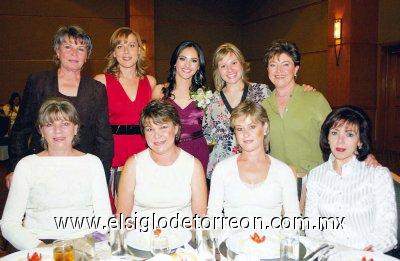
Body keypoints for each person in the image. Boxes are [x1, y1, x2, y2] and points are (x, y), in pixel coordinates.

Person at [6, 25, 113, 187]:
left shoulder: (96, 90)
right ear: (57, 51)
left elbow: (104, 139)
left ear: (87, 56)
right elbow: (21, 129)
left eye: (81, 49)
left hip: (81, 173)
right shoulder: (38, 82)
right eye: (68, 47)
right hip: (40, 170)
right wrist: (16, 168)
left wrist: (100, 178)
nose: (74, 53)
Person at [1, 97, 112, 250]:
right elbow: (9, 224)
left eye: (65, 124)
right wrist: (43, 249)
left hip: (83, 244)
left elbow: (104, 221)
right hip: (37, 245)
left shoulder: (92, 163)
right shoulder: (26, 165)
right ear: (40, 130)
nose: (57, 130)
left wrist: (82, 247)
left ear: (76, 128)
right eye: (49, 124)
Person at [203, 43, 314, 182]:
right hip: (223, 172)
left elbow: (283, 102)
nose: (229, 69)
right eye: (223, 65)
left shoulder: (262, 91)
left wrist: (303, 91)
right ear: (218, 70)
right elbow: (206, 136)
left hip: (259, 167)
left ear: (242, 65)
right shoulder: (212, 101)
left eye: (233, 63)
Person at [305, 106, 397, 253]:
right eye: (334, 133)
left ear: (360, 141)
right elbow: (312, 228)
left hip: (369, 255)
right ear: (327, 138)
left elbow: (387, 232)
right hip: (330, 254)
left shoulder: (377, 175)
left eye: (349, 135)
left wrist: (367, 252)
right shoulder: (316, 175)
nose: (340, 141)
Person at [208, 101, 300, 224]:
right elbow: (214, 217)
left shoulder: (283, 171)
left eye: (252, 127)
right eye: (240, 129)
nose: (246, 134)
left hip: (273, 241)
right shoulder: (222, 169)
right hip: (231, 241)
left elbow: (293, 220)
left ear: (265, 127)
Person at [117, 100, 207, 225]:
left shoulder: (193, 165)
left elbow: (199, 220)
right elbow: (123, 218)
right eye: (150, 129)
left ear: (176, 128)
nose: (156, 135)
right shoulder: (133, 164)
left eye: (163, 127)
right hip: (141, 237)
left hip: (183, 237)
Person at [94, 27, 156, 204]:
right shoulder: (101, 81)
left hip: (143, 149)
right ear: (114, 52)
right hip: (113, 150)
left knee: (143, 205)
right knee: (115, 207)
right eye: (120, 46)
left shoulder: (150, 82)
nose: (126, 51)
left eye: (131, 45)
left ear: (139, 50)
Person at [153, 40, 209, 172]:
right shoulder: (160, 91)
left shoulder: (205, 95)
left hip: (198, 151)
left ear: (198, 66)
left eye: (194, 60)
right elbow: (150, 127)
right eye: (182, 58)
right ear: (174, 62)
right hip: (167, 151)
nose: (187, 65)